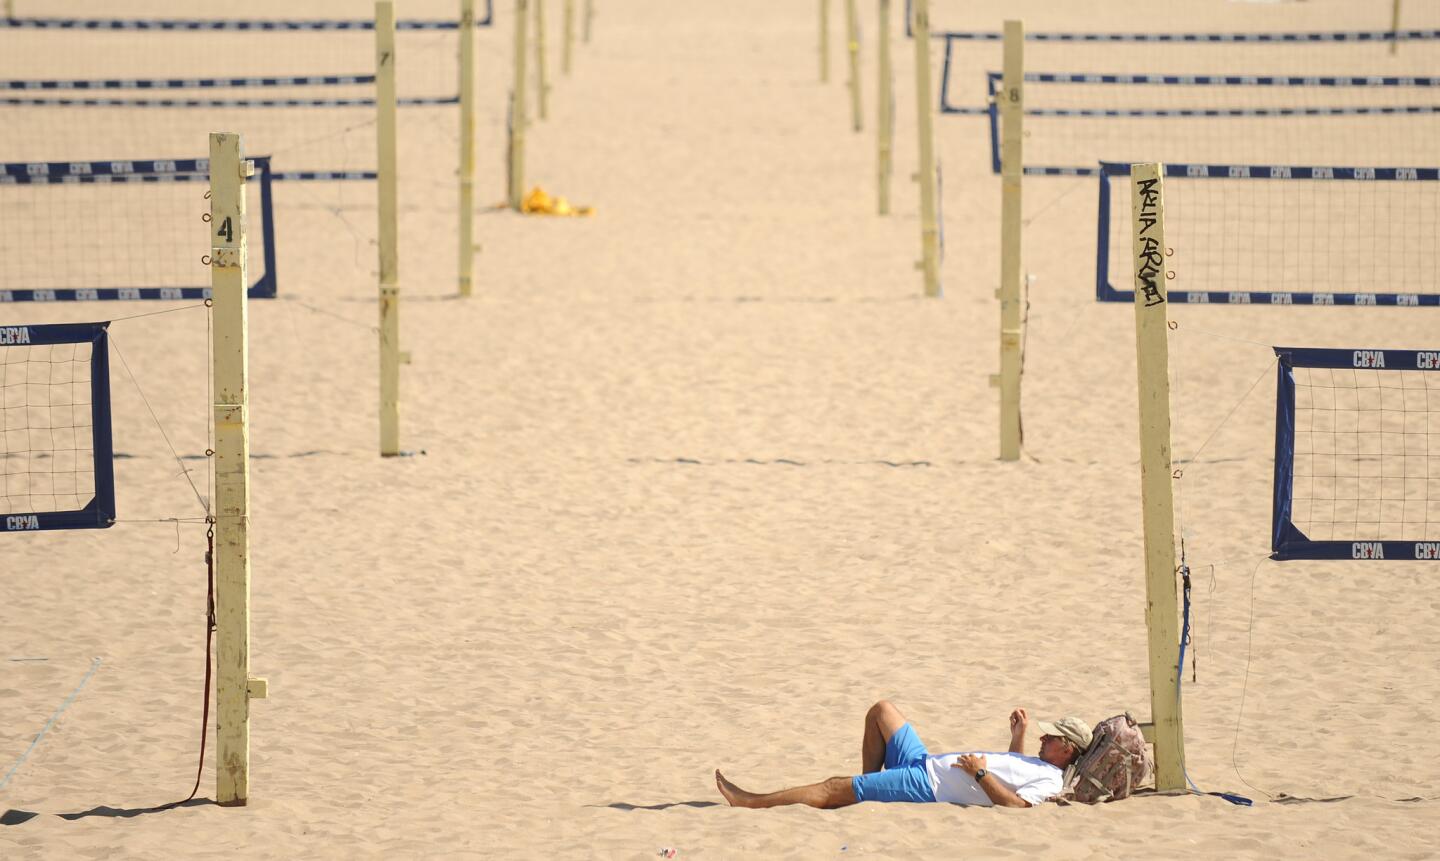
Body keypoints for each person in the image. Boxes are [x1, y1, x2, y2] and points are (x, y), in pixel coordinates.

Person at [714, 699, 1091, 810]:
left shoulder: (1051, 779)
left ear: (1068, 749)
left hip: (928, 784)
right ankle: (865, 790)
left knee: (832, 787)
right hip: (924, 762)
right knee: (882, 710)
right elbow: (1012, 769)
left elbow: (1016, 805)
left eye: (1051, 738)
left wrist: (978, 773)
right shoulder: (1039, 762)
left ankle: (751, 802)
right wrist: (1018, 737)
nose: (1045, 738)